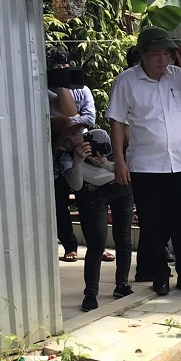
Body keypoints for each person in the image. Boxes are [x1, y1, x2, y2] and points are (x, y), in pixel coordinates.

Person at [107, 26, 181, 297]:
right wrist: (119, 161)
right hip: (145, 166)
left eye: (167, 53)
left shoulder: (178, 75)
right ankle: (160, 276)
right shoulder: (126, 82)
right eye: (155, 54)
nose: (162, 59)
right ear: (142, 54)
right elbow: (117, 122)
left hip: (179, 165)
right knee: (153, 227)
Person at [52, 117, 135, 311]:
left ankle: (122, 284)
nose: (73, 140)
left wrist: (105, 164)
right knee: (96, 243)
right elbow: (77, 184)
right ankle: (91, 293)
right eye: (66, 139)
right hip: (91, 194)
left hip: (121, 188)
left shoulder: (99, 136)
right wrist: (78, 162)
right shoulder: (65, 159)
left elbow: (122, 169)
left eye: (74, 134)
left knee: (124, 238)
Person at [48, 49, 97, 264]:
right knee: (59, 203)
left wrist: (67, 121)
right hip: (57, 151)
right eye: (55, 67)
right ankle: (70, 245)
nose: (60, 71)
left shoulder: (81, 89)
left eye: (63, 67)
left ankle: (97, 245)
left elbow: (90, 118)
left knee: (89, 201)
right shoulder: (45, 90)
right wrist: (72, 120)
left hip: (82, 147)